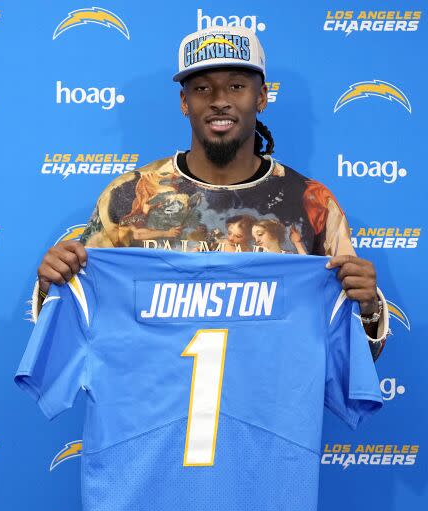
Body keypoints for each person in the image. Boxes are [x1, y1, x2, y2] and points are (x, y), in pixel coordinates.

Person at [31, 25, 390, 358]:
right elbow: (78, 330)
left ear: (262, 97)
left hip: (267, 416)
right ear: (184, 102)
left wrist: (369, 309)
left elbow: (355, 359)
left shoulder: (312, 202)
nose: (219, 100)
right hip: (151, 416)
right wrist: (53, 288)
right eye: (202, 89)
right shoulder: (130, 195)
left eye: (236, 86)